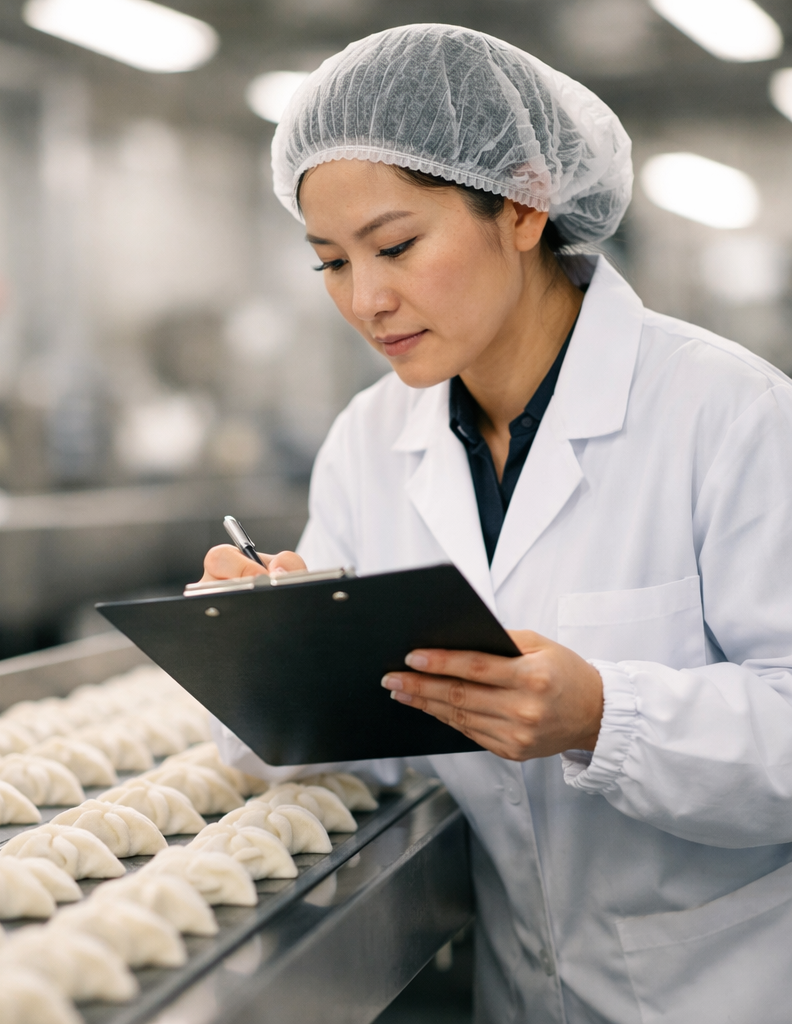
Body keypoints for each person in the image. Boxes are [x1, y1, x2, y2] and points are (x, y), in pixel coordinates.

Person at [198, 24, 792, 1024]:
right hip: (514, 993)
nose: (367, 300)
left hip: (718, 989)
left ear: (522, 202)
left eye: (395, 246)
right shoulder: (370, 439)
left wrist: (607, 715)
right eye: (330, 264)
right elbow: (370, 746)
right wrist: (272, 658)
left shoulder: (728, 415)